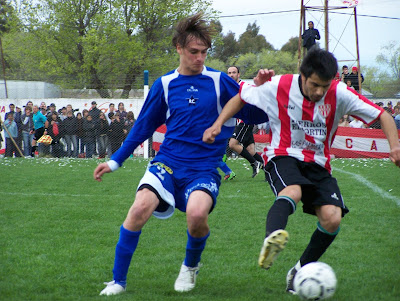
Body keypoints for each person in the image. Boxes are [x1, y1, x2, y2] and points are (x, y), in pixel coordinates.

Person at [93, 12, 267, 296]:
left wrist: (259, 92)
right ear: (178, 49)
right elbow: (143, 127)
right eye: (193, 52)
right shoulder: (164, 84)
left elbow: (252, 113)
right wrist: (115, 160)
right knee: (138, 209)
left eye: (204, 52)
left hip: (205, 168)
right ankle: (118, 282)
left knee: (197, 215)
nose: (200, 58)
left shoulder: (219, 81)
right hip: (168, 162)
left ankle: (190, 267)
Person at [203, 49, 400, 295]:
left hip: (318, 163)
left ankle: (299, 270)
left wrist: (395, 146)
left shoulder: (339, 92)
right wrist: (218, 124)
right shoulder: (279, 85)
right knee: (292, 191)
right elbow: (241, 96)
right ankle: (272, 238)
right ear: (303, 75)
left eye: (324, 86)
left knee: (332, 218)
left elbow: (383, 115)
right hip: (282, 154)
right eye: (315, 85)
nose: (319, 92)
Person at [227, 66, 264, 178]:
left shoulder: (245, 86)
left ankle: (254, 163)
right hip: (239, 121)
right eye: (229, 73)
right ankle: (269, 170)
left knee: (232, 144)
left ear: (238, 74)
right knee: (250, 151)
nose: (231, 75)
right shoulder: (228, 88)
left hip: (246, 120)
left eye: (234, 72)